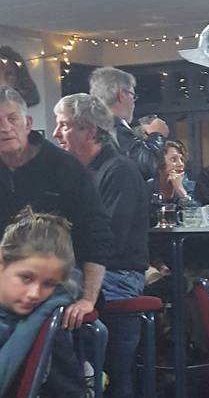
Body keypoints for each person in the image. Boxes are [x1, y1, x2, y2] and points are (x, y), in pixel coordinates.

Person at [52, 93, 150, 398]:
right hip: (91, 270)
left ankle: (83, 378)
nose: (55, 133)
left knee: (50, 303)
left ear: (90, 131)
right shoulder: (77, 174)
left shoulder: (119, 170)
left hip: (118, 274)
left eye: (64, 125)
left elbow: (107, 242)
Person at [0, 87, 113, 332]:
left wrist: (88, 300)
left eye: (12, 119)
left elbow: (96, 235)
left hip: (60, 274)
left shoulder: (64, 167)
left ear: (28, 124)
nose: (5, 128)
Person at [0, 207, 78, 396]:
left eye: (49, 284)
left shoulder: (53, 318)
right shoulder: (49, 306)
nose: (35, 294)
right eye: (26, 278)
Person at [89, 67, 168, 180]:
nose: (134, 103)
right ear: (121, 95)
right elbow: (147, 167)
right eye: (133, 96)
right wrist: (157, 135)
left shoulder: (92, 126)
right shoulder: (114, 127)